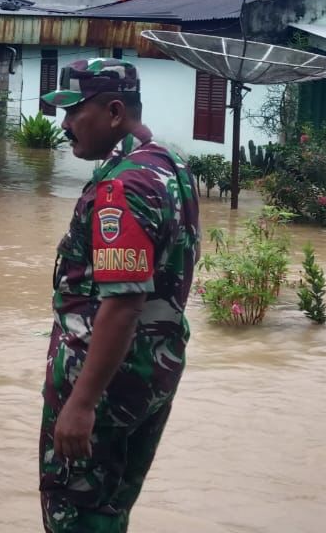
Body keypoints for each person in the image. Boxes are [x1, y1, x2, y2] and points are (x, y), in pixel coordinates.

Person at [37, 58, 200, 532]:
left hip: (105, 387)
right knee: (111, 510)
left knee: (78, 515)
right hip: (153, 372)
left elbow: (123, 303)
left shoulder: (121, 186)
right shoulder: (171, 166)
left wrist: (82, 403)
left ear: (113, 112)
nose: (65, 125)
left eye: (73, 111)